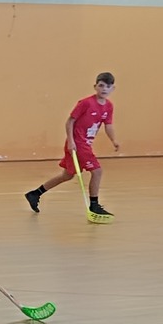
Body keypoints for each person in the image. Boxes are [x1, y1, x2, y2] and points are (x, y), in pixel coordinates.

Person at [26, 73, 119, 219]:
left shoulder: (108, 106)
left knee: (67, 175)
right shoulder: (86, 103)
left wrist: (114, 140)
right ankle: (94, 205)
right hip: (78, 144)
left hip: (86, 144)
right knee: (97, 171)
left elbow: (108, 125)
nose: (104, 89)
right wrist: (71, 141)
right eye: (101, 85)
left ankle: (35, 194)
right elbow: (70, 121)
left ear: (113, 88)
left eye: (108, 86)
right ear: (95, 86)